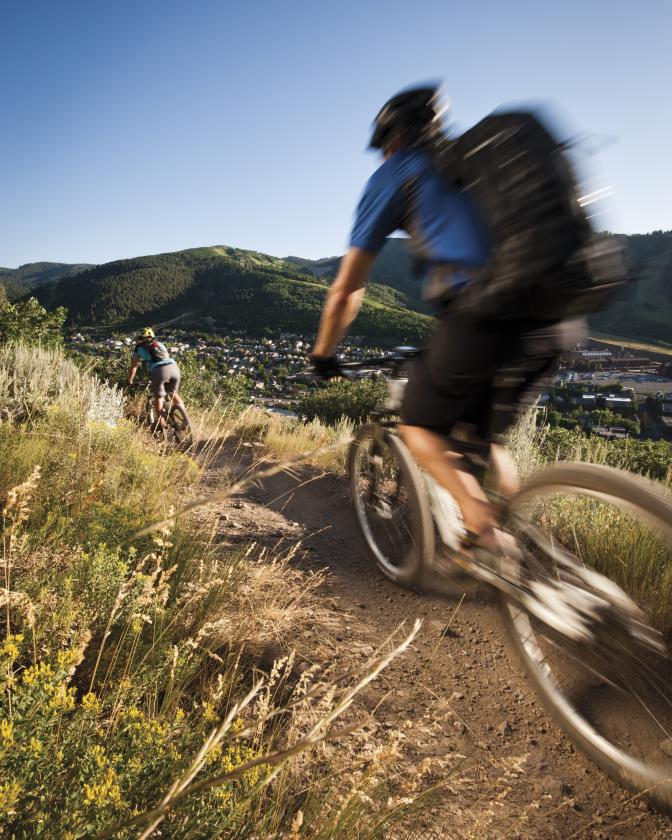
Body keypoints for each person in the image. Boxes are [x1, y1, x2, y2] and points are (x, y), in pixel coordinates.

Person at [310, 85, 572, 553]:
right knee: (480, 438)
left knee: (418, 427)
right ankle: (531, 554)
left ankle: (488, 535)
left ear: (390, 141)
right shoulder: (476, 166)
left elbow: (346, 289)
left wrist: (324, 353)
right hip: (555, 312)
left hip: (484, 313)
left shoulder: (397, 172)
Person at [127, 327, 185, 426]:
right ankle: (185, 418)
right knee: (173, 394)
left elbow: (134, 367)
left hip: (159, 371)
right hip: (174, 368)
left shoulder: (138, 349)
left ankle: (161, 424)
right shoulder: (159, 344)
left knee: (158, 397)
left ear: (140, 339)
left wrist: (129, 381)